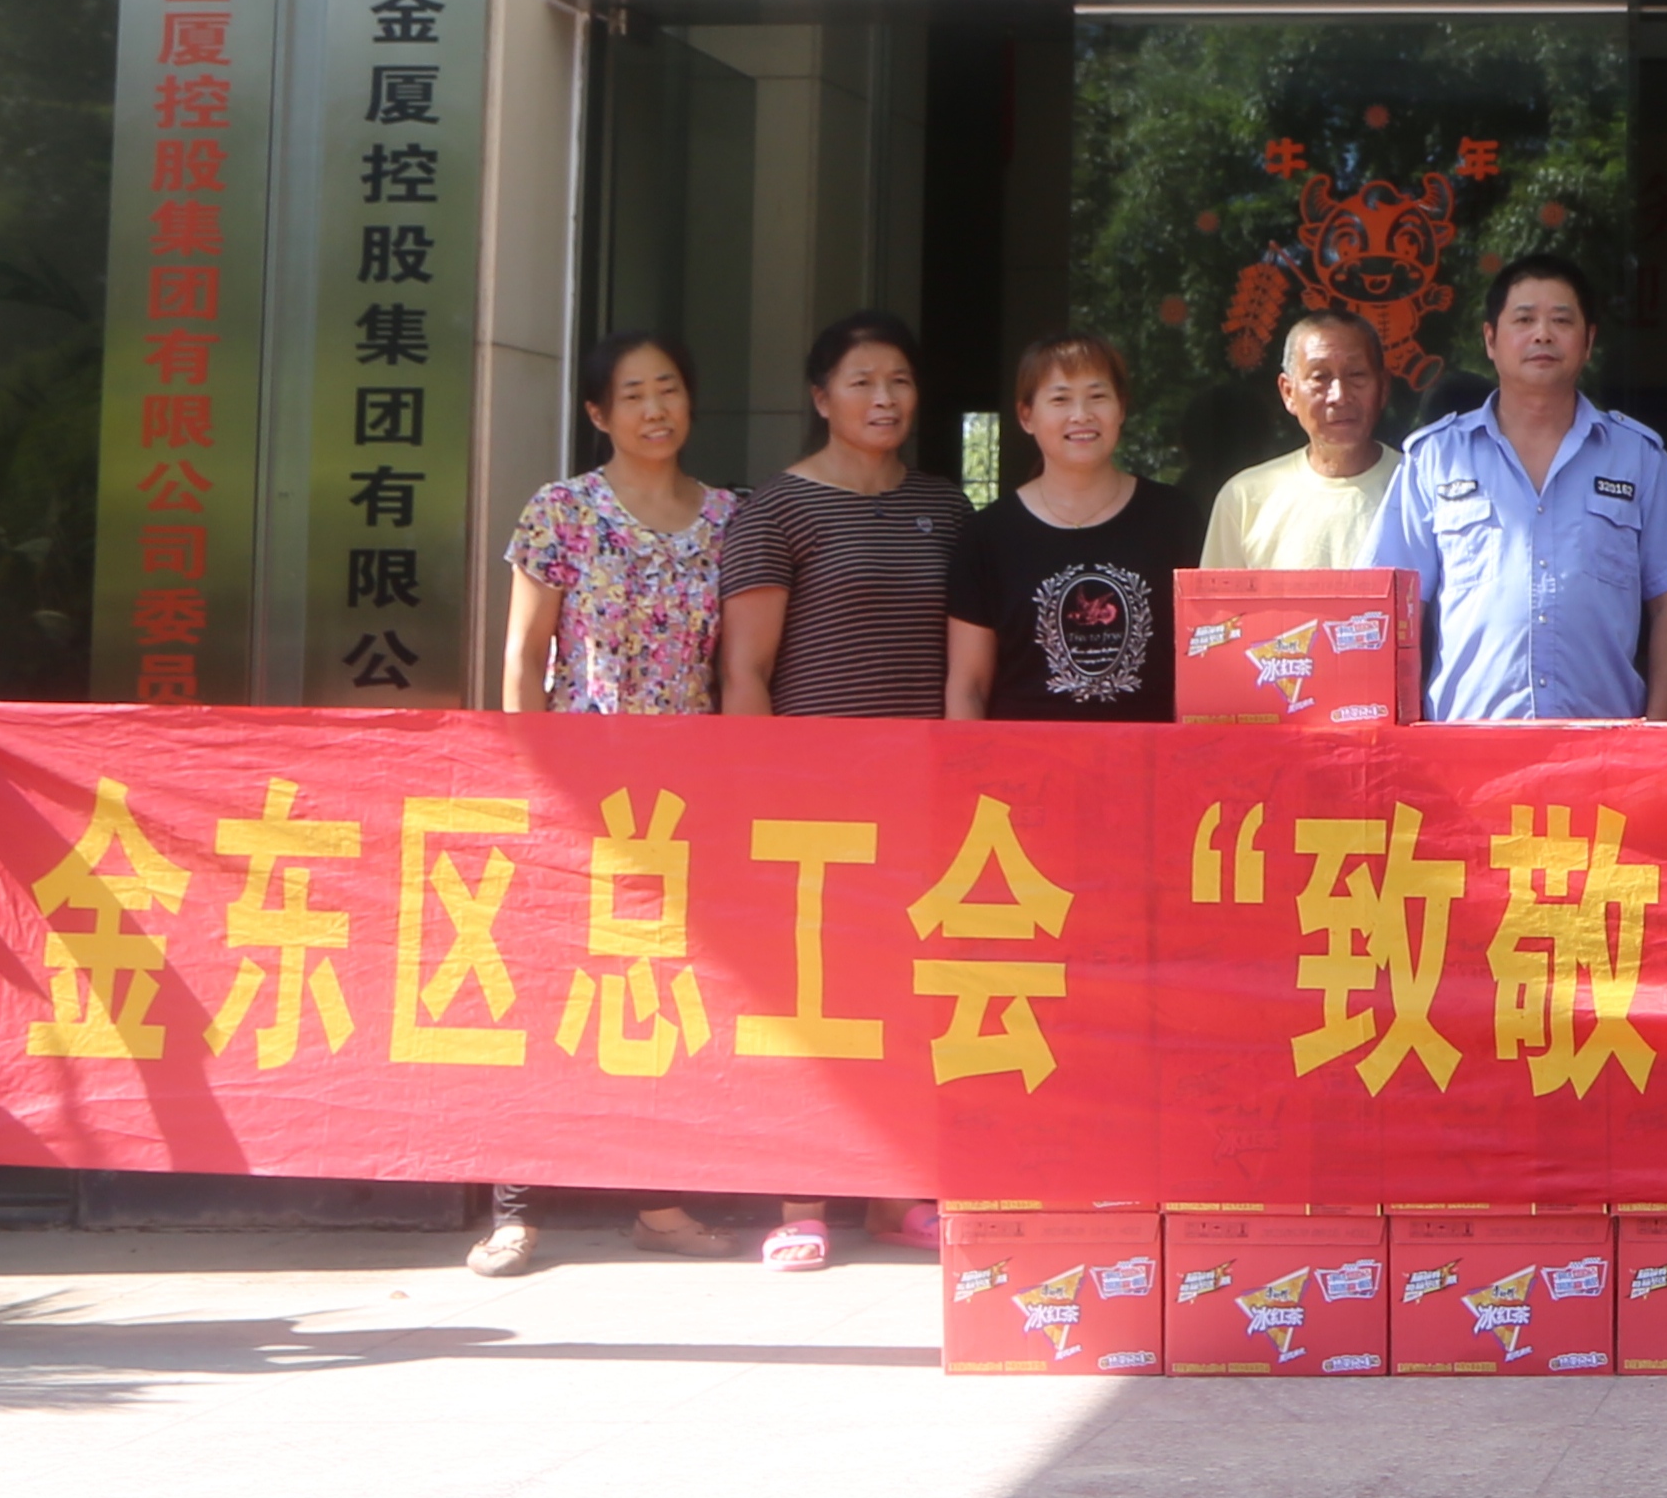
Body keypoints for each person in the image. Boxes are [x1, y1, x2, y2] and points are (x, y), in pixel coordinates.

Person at [474, 330, 745, 1276]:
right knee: (547, 990)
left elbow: (737, 664)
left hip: (683, 802)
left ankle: (658, 1203)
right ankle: (515, 1209)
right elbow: (522, 658)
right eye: (631, 394)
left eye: (668, 388)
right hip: (580, 792)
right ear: (597, 413)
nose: (654, 409)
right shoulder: (559, 512)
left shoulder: (731, 521)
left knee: (659, 993)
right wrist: (530, 779)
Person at [713, 307, 971, 1270]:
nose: (884, 398)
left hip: (919, 789)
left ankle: (899, 1193)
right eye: (861, 382)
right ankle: (802, 1198)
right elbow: (745, 670)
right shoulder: (777, 509)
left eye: (898, 380)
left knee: (910, 985)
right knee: (814, 992)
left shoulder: (946, 507)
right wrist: (757, 791)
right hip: (811, 796)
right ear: (821, 398)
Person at [1367, 254, 1667, 721]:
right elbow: (1393, 611)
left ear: (1588, 342)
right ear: (1490, 340)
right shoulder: (1434, 458)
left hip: (1605, 746)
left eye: (1561, 320)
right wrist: (1402, 737)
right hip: (1466, 747)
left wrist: (1656, 736)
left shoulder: (1638, 457)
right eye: (1524, 319)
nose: (1543, 334)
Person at [956, 334, 1197, 721]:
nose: (1081, 414)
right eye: (1061, 399)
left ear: (1121, 409)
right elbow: (969, 687)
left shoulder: (1175, 518)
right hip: (1023, 756)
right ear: (1026, 416)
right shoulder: (988, 534)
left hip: (1149, 753)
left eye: (1097, 396)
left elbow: (1206, 658)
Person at [1200, 310, 1396, 571]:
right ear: (1289, 392)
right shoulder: (1244, 498)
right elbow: (1218, 598)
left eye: (1356, 374)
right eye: (1320, 377)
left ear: (1383, 387)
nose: (1339, 395)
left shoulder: (1419, 487)